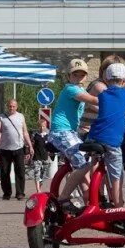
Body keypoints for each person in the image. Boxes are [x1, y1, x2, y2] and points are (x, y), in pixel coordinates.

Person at [85, 62, 125, 211]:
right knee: (117, 174)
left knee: (94, 162)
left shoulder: (103, 94)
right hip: (111, 141)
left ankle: (95, 198)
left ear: (106, 79)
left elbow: (110, 106)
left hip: (93, 136)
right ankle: (118, 205)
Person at [50, 59, 99, 210]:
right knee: (83, 165)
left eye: (82, 75)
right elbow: (93, 100)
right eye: (75, 74)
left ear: (85, 76)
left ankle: (89, 201)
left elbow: (91, 108)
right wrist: (116, 101)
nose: (78, 77)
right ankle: (63, 199)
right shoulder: (71, 89)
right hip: (61, 132)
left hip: (70, 132)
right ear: (69, 77)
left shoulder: (80, 91)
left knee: (83, 168)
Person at [0, 100, 33, 200]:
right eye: (10, 106)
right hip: (5, 149)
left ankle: (20, 193)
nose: (11, 108)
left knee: (20, 171)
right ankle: (7, 193)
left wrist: (30, 146)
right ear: (7, 106)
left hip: (18, 148)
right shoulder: (1, 117)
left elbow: (25, 132)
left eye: (13, 106)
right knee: (5, 172)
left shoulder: (21, 116)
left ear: (17, 107)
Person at [30, 117, 53, 193]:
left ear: (46, 126)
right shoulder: (35, 135)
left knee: (42, 174)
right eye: (40, 126)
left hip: (45, 157)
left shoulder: (48, 136)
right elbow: (31, 145)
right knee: (37, 172)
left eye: (43, 126)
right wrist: (30, 152)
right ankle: (38, 190)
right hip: (37, 156)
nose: (42, 128)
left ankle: (40, 184)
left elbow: (50, 146)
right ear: (38, 126)